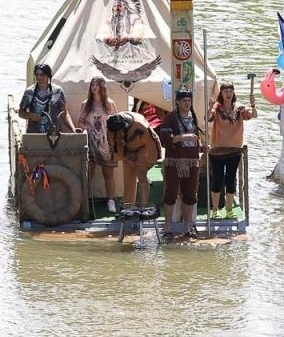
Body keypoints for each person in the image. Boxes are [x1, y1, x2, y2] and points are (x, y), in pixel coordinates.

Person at [157, 89, 203, 239]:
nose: (187, 103)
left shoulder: (193, 117)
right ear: (177, 102)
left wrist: (202, 148)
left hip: (192, 160)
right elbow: (165, 140)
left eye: (189, 100)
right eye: (184, 101)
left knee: (190, 194)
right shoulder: (170, 118)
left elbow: (195, 139)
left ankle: (188, 225)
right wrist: (183, 137)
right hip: (174, 161)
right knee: (170, 194)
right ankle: (168, 226)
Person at [207, 81, 253, 218]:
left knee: (231, 180)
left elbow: (253, 115)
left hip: (234, 150)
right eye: (225, 91)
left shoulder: (239, 108)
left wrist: (253, 105)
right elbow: (207, 118)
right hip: (218, 150)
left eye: (230, 91)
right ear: (221, 93)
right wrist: (209, 107)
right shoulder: (217, 107)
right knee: (217, 180)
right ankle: (214, 210)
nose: (228, 94)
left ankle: (229, 210)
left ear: (233, 93)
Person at [107, 109, 161, 211]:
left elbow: (152, 143)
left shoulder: (140, 125)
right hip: (127, 150)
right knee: (128, 178)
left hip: (143, 148)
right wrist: (124, 157)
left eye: (120, 132)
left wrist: (148, 162)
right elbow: (113, 145)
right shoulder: (111, 124)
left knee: (141, 175)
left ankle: (144, 206)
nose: (119, 135)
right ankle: (128, 207)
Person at [81, 78, 119, 214]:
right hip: (91, 142)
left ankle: (110, 201)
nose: (94, 87)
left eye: (97, 85)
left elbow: (116, 122)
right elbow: (81, 122)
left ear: (102, 87)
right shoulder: (86, 105)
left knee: (108, 173)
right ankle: (84, 200)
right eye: (92, 85)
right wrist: (85, 128)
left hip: (106, 142)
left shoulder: (109, 104)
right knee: (88, 173)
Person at [19, 63, 74, 135]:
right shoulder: (29, 92)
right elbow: (21, 113)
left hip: (54, 135)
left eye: (42, 74)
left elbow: (64, 113)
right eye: (37, 74)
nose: (39, 77)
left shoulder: (58, 91)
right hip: (33, 135)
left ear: (48, 76)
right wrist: (31, 115)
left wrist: (73, 128)